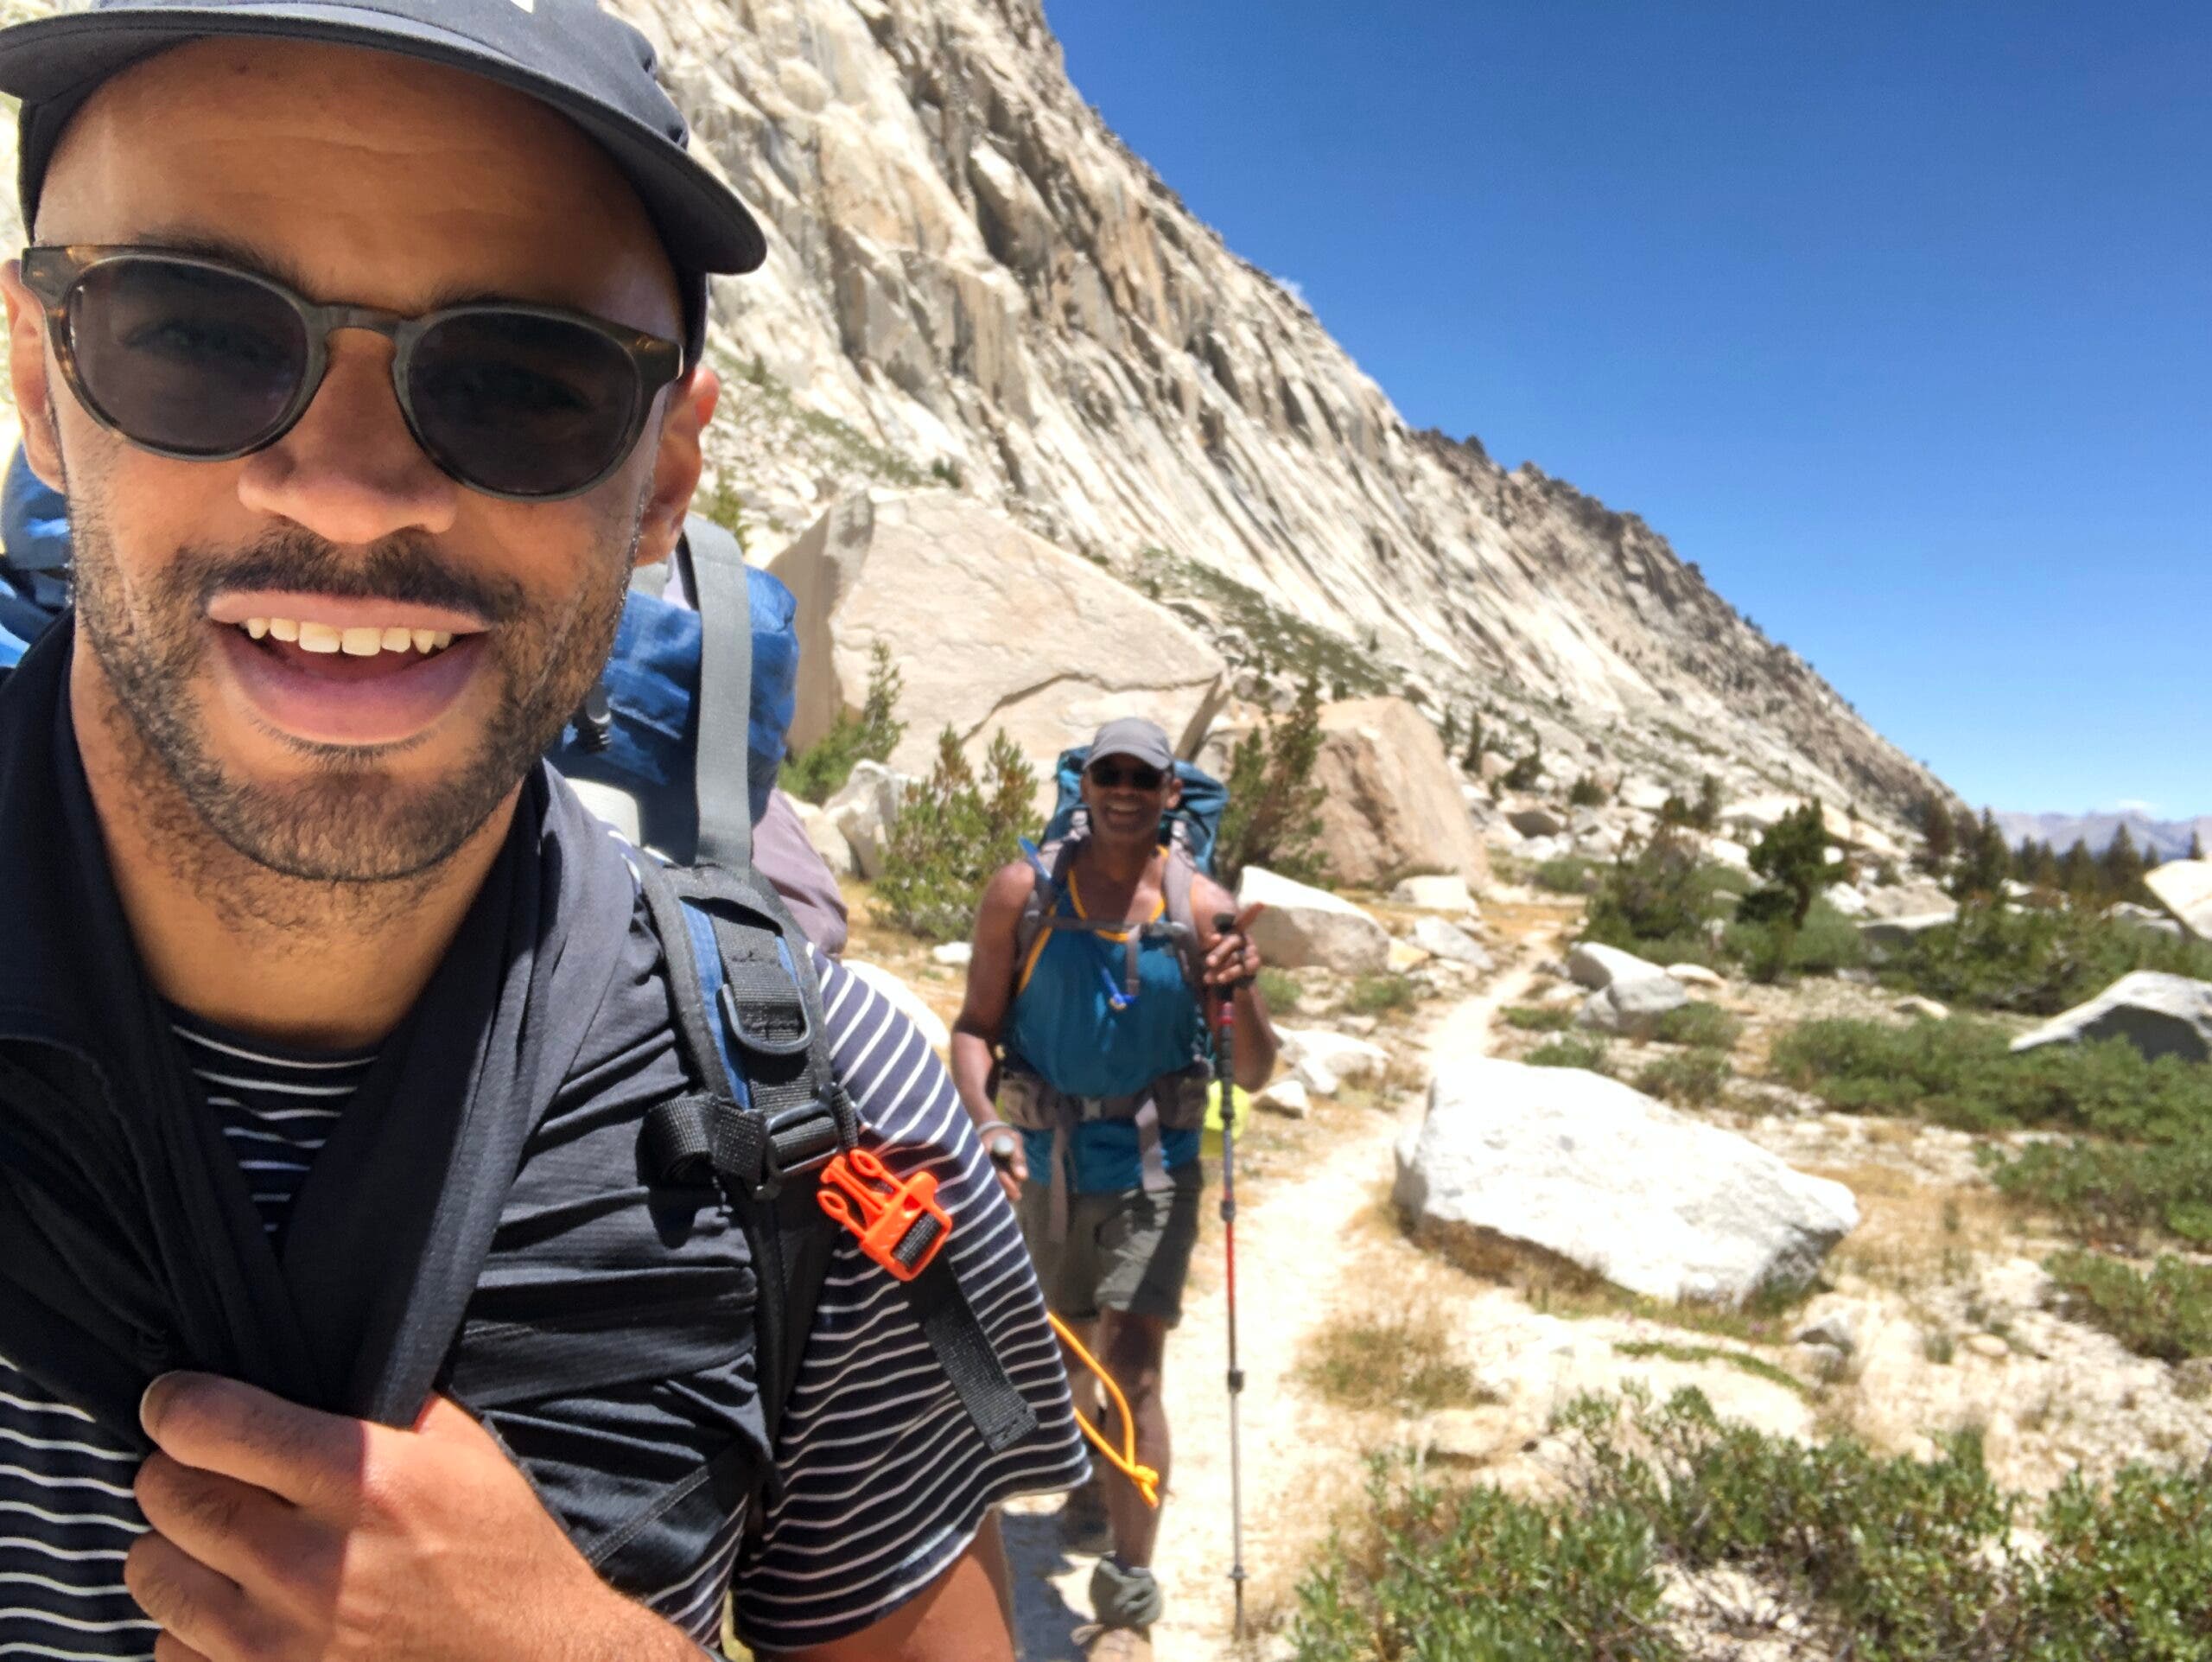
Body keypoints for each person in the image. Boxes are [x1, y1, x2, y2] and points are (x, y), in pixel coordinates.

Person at [0, 3, 1084, 1658]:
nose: (352, 488)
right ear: (40, 380)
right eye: (197, 336)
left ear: (663, 480)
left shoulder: (826, 1107)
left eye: (521, 382)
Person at [950, 717, 1279, 1662]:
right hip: (1044, 1163)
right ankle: (1090, 1485)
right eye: (1109, 774)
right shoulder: (1024, 892)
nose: (1126, 789)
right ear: (1083, 786)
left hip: (1153, 1169)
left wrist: (1241, 985)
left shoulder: (1202, 907)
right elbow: (975, 1026)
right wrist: (988, 1120)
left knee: (1132, 1367)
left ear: (1171, 792)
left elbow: (1250, 1072)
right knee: (1059, 1364)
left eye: (1145, 775)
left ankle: (1127, 1607)